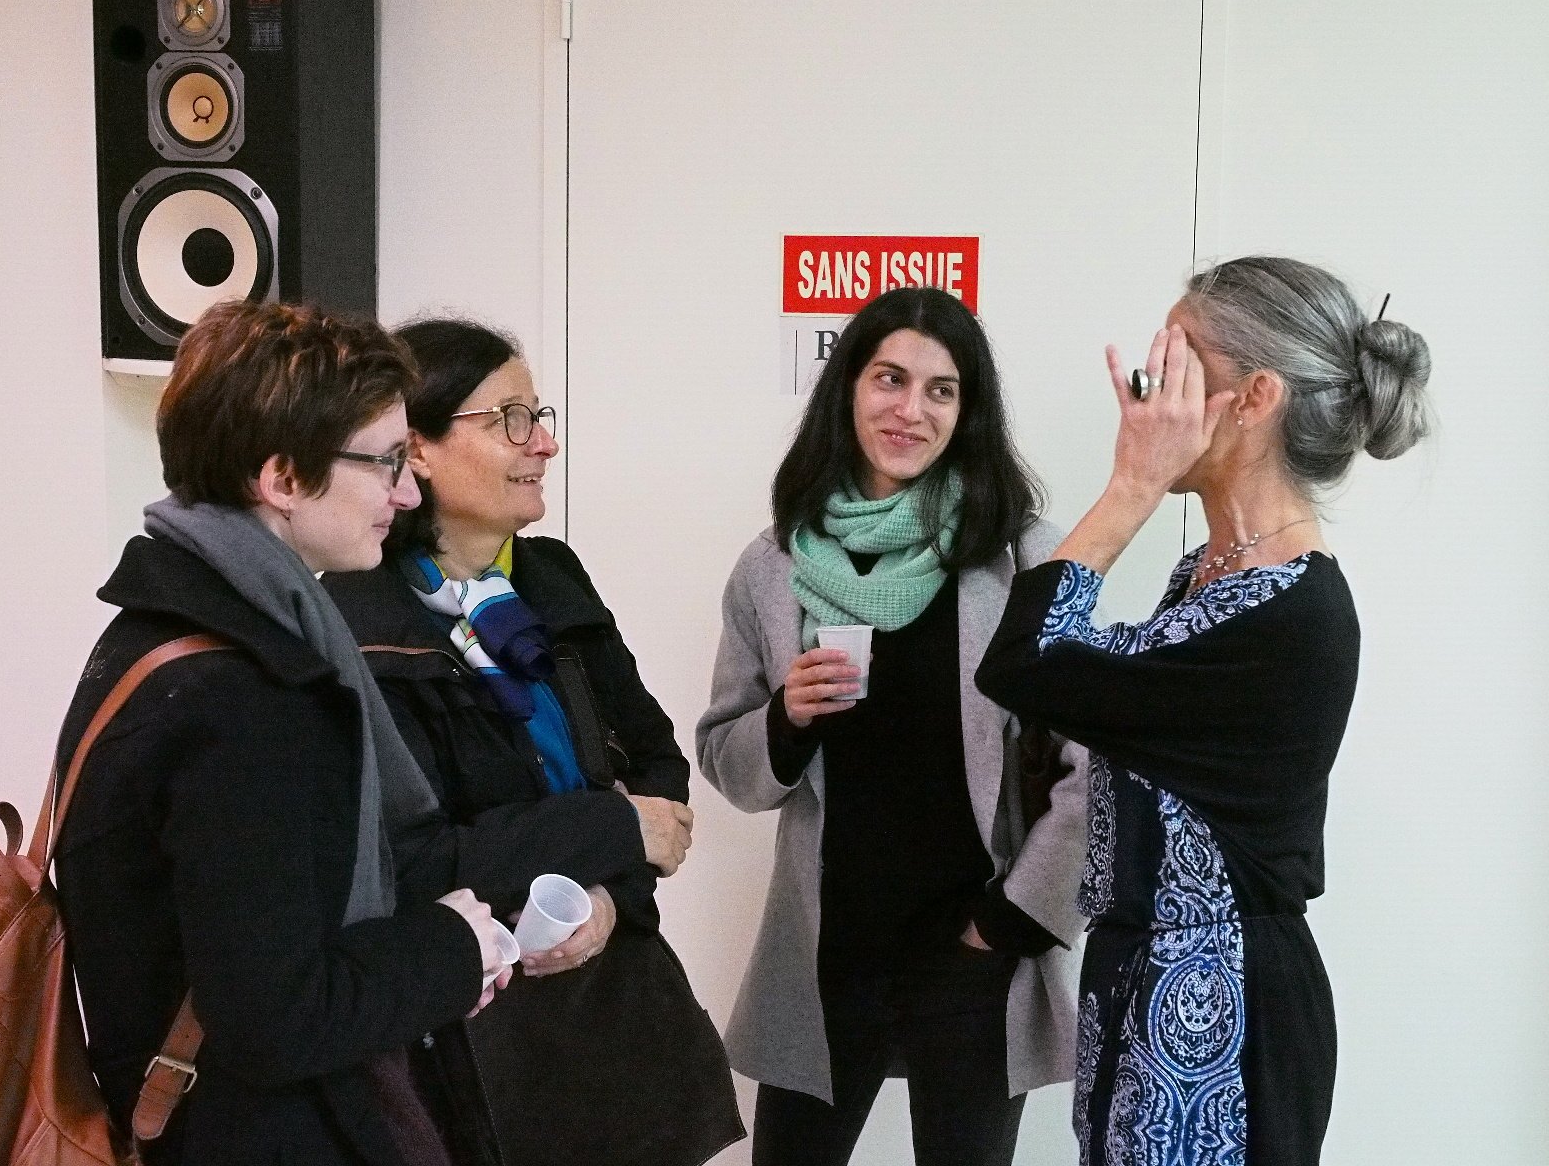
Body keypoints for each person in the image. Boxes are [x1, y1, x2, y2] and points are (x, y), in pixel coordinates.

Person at [974, 257, 1433, 1165]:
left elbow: (1027, 663)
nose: (1151, 397)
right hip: (1149, 981)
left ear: (1255, 398)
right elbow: (1047, 666)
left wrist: (1134, 486)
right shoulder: (1211, 577)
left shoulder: (1289, 612)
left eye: (1179, 368)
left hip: (1221, 1005)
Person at [53, 300, 511, 1166]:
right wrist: (455, 951)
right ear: (283, 478)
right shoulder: (243, 695)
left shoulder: (157, 633)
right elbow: (276, 1016)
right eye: (386, 461)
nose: (409, 493)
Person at [320, 317, 744, 1166]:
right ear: (419, 449)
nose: (542, 443)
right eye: (508, 419)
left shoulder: (551, 576)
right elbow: (417, 861)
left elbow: (656, 765)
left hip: (618, 1014)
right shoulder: (358, 621)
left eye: (538, 415)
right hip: (472, 1040)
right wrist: (616, 829)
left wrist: (612, 901)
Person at [697, 286, 1090, 1166]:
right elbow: (724, 755)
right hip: (827, 957)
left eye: (941, 389)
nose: (911, 409)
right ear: (847, 387)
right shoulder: (774, 563)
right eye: (889, 379)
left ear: (967, 411)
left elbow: (1093, 766)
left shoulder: (1020, 555)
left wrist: (1010, 922)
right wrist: (786, 719)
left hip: (973, 955)